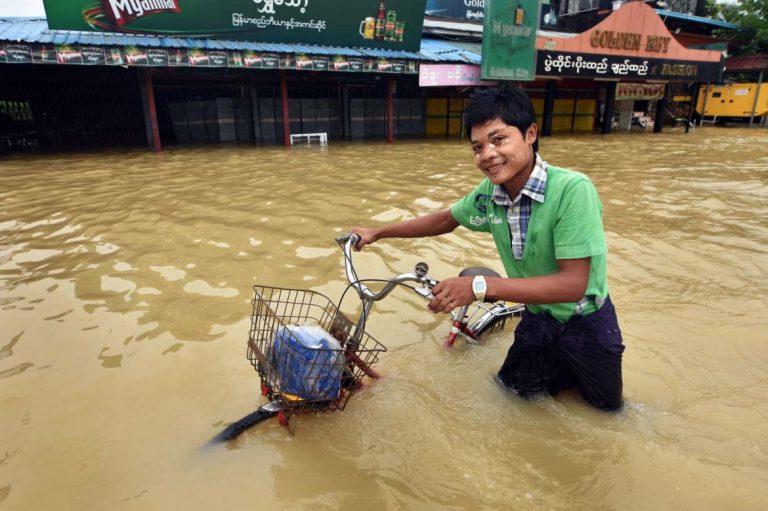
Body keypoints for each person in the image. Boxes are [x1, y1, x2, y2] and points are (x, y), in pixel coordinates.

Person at [351, 85, 625, 411]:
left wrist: (478, 287)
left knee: (607, 414)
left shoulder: (572, 190)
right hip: (537, 318)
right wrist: (378, 232)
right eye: (477, 147)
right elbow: (446, 219)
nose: (488, 155)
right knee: (510, 397)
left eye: (499, 139)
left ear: (530, 133)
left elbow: (573, 284)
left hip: (587, 325)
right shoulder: (489, 194)